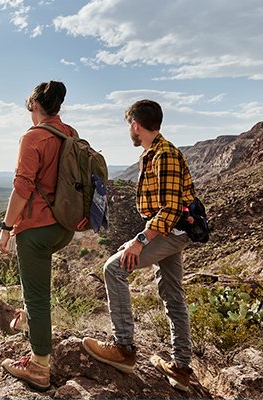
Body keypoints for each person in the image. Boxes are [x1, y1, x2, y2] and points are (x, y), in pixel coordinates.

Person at [82, 99, 195, 392]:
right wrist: (139, 237)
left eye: (129, 126)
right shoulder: (152, 154)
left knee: (113, 269)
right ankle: (181, 367)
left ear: (136, 125)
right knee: (172, 294)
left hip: (171, 231)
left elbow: (170, 210)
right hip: (168, 232)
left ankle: (124, 348)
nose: (129, 132)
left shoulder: (165, 155)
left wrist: (141, 240)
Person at [0, 80, 75, 391]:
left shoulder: (34, 138)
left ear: (35, 107)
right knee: (37, 291)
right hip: (64, 228)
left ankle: (39, 366)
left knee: (38, 297)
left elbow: (22, 188)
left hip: (37, 230)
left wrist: (6, 229)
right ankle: (30, 318)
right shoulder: (70, 133)